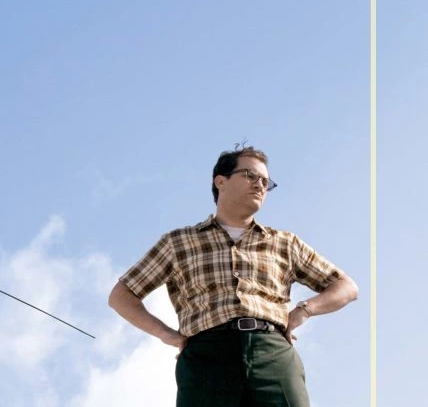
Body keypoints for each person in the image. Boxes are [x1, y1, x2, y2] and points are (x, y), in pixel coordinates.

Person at [108, 145, 359, 407]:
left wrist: (304, 310)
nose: (260, 185)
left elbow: (346, 287)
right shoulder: (178, 242)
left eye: (266, 182)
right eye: (251, 175)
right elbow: (121, 296)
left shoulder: (285, 243)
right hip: (206, 359)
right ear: (221, 181)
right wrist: (166, 334)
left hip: (272, 353)